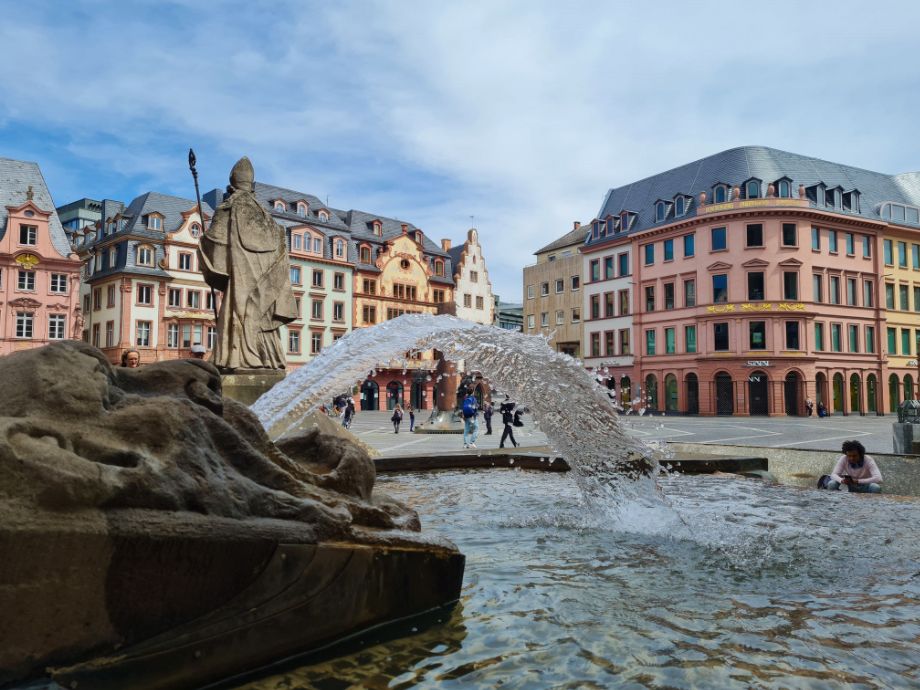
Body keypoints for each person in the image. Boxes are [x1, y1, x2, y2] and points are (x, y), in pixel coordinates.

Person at [198, 157, 298, 371]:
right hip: (267, 282)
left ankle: (235, 359)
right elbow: (281, 250)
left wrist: (203, 241)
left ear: (232, 185)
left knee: (239, 311)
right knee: (261, 315)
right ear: (251, 186)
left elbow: (214, 242)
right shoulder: (268, 218)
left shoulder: (228, 208)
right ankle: (268, 358)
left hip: (241, 280)